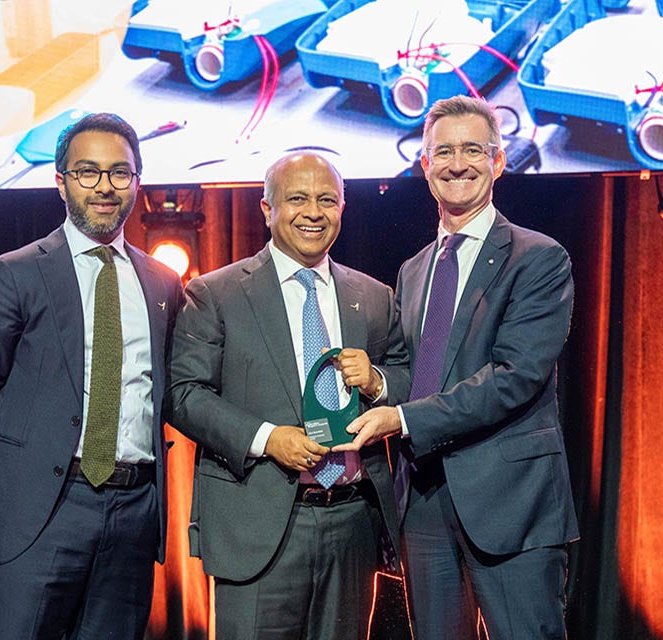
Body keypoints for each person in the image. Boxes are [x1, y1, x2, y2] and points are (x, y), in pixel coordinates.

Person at [337, 95, 579, 640]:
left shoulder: (538, 258)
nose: (457, 163)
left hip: (511, 500)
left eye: (474, 149)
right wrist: (379, 384)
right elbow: (419, 375)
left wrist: (401, 420)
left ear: (498, 162)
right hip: (423, 501)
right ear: (424, 167)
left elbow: (514, 377)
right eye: (442, 152)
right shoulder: (415, 269)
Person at [0, 113, 183, 639]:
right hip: (47, 507)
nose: (105, 186)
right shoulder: (15, 272)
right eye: (88, 172)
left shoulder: (163, 282)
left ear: (137, 184)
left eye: (120, 172)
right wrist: (26, 459)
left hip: (134, 509)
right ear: (61, 182)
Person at [169, 152, 410, 639]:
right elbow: (183, 394)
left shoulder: (375, 296)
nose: (313, 212)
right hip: (259, 525)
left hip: (351, 522)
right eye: (297, 198)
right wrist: (265, 438)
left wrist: (379, 382)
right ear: (267, 208)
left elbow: (408, 381)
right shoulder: (216, 294)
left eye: (327, 200)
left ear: (343, 208)